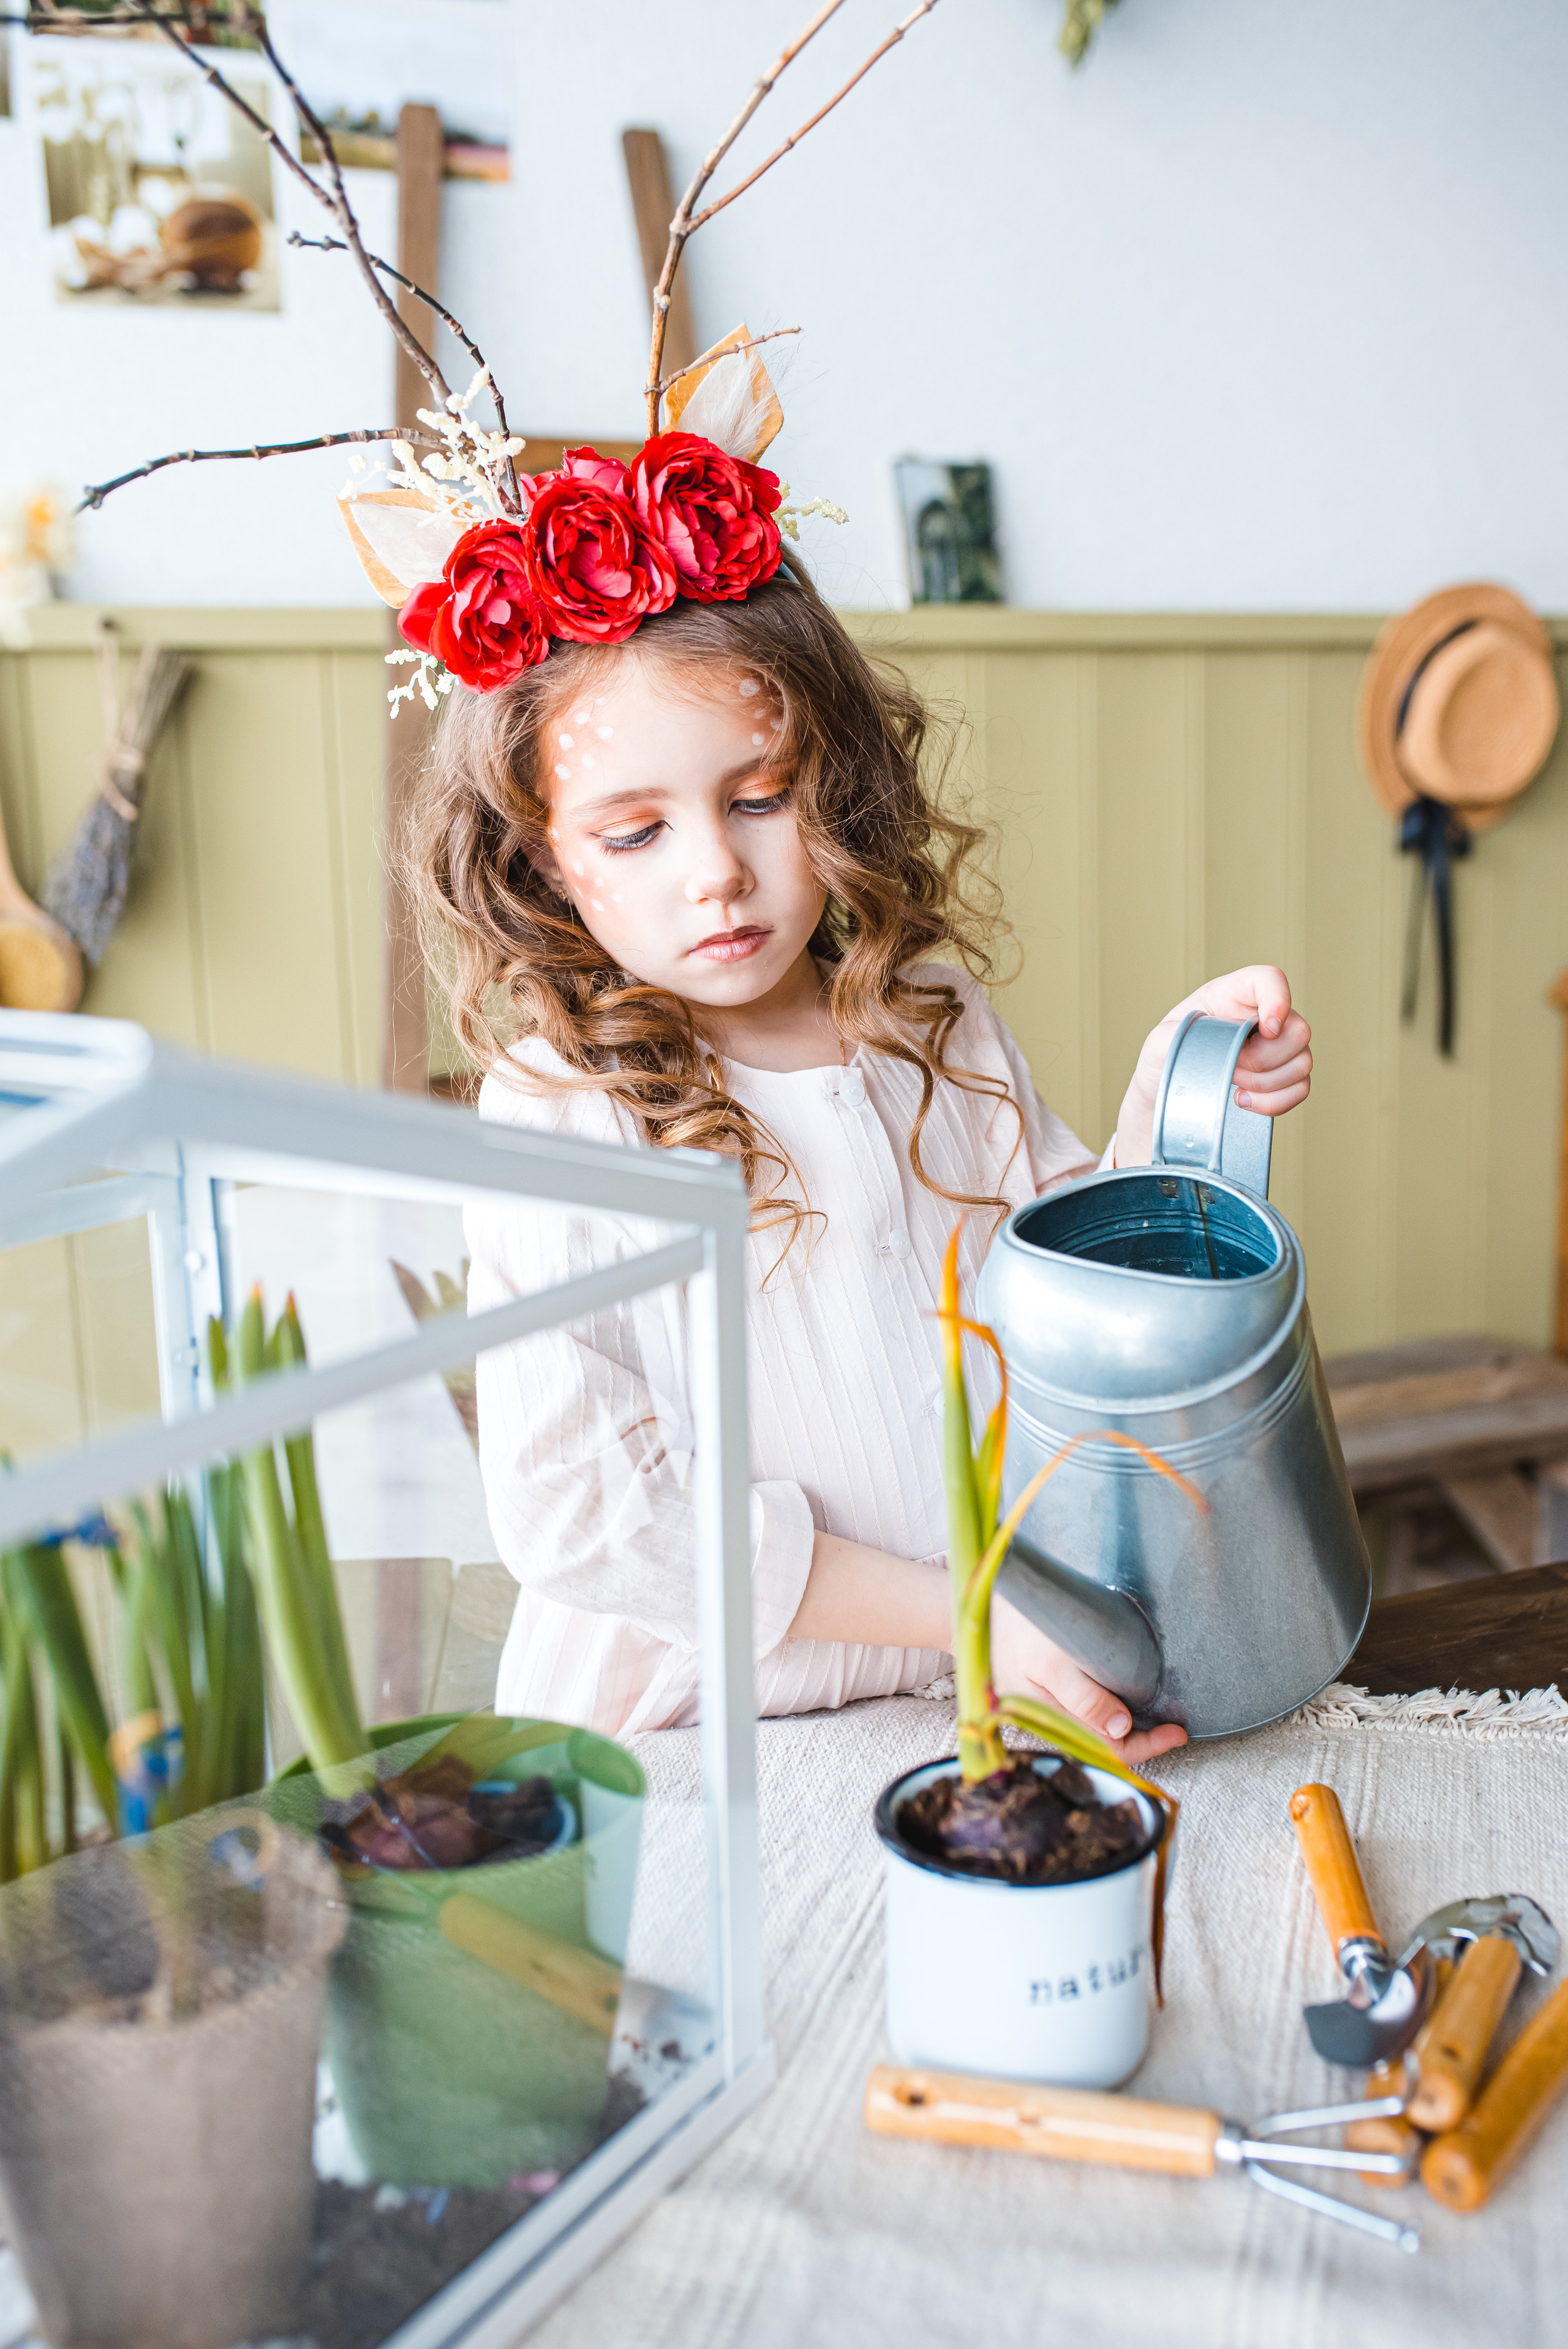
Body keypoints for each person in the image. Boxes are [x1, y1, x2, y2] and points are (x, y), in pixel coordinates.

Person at [411, 567, 1311, 1766]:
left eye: (760, 797)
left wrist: (1168, 1094)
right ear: (543, 858)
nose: (716, 871)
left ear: (833, 779)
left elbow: (1070, 1317)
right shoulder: (562, 1111)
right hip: (693, 1731)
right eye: (636, 832)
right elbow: (582, 1514)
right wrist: (968, 1616)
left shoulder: (935, 1024)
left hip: (972, 1685)